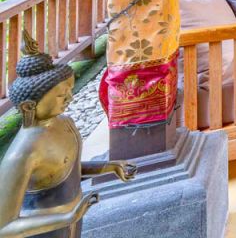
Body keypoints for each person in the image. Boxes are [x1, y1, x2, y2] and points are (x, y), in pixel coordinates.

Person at [0, 32, 136, 238]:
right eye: (61, 95)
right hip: (44, 230)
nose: (70, 98)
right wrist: (67, 217)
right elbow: (4, 226)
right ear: (29, 106)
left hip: (72, 219)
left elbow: (65, 170)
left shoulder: (65, 123)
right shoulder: (23, 151)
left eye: (70, 90)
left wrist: (110, 166)